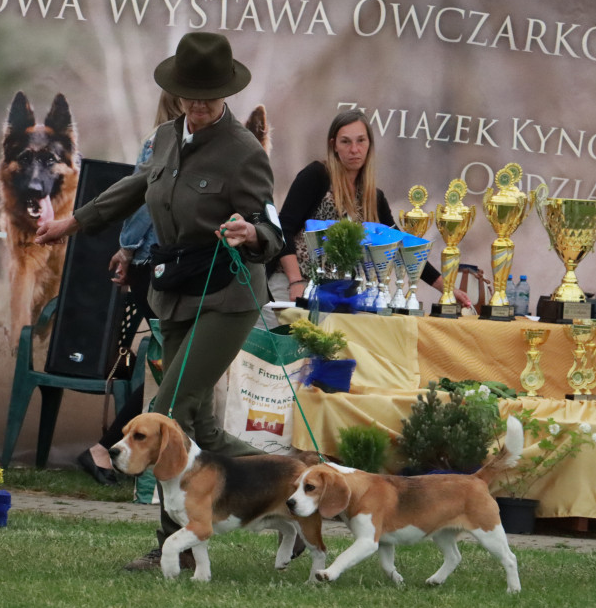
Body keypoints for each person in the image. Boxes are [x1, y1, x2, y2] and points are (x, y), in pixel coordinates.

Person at [36, 31, 284, 568]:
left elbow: (273, 229)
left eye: (209, 96)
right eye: (190, 94)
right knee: (205, 429)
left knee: (168, 414)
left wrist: (250, 233)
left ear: (226, 95)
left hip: (228, 296)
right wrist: (71, 224)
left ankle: (174, 548)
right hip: (175, 292)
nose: (197, 105)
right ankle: (305, 482)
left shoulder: (243, 152)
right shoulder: (167, 137)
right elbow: (134, 188)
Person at [76, 91, 182, 486]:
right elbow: (142, 199)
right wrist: (126, 246)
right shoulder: (162, 140)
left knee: (178, 366)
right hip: (154, 263)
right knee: (176, 367)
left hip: (163, 263)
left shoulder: (185, 141)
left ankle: (110, 449)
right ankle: (107, 448)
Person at [269, 108, 472, 309]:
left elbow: (402, 246)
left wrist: (446, 289)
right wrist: (295, 282)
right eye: (345, 141)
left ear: (369, 145)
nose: (354, 149)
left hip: (342, 294)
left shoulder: (374, 197)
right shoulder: (316, 176)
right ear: (334, 146)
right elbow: (283, 228)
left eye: (360, 141)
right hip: (294, 286)